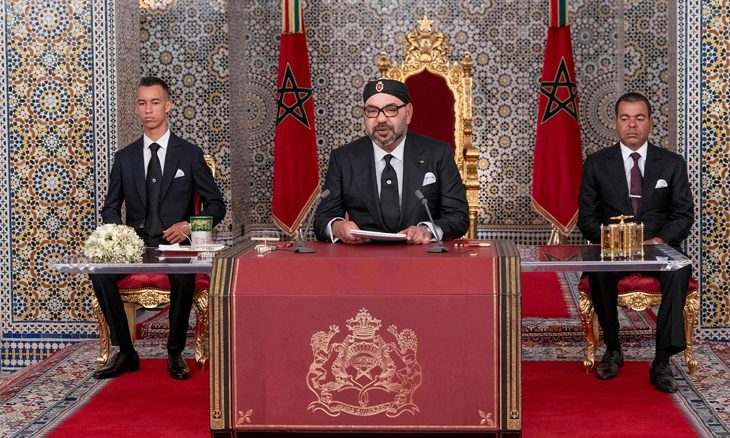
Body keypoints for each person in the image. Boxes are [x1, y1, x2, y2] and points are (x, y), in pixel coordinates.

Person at [90, 77, 226, 380]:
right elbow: (110, 206)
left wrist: (188, 226)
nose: (148, 109)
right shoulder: (124, 158)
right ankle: (126, 352)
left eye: (154, 102)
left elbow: (216, 205)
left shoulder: (189, 154)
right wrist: (119, 234)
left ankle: (175, 352)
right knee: (99, 272)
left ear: (168, 106)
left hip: (176, 245)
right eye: (142, 103)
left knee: (184, 273)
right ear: (136, 108)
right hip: (136, 246)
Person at [577, 92, 694, 393]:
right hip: (613, 250)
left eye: (639, 118)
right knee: (598, 271)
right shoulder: (596, 164)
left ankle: (662, 361)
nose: (632, 125)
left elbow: (683, 215)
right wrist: (614, 241)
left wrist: (660, 239)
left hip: (658, 247)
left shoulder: (672, 163)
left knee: (680, 269)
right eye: (625, 118)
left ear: (650, 122)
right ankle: (613, 349)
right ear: (616, 122)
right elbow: (586, 219)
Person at [313, 79, 469, 244]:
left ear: (408, 113)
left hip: (421, 255)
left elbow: (458, 216)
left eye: (391, 110)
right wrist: (337, 227)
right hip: (363, 255)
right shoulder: (343, 158)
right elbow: (323, 219)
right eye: (372, 111)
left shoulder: (438, 153)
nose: (381, 119)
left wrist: (427, 230)